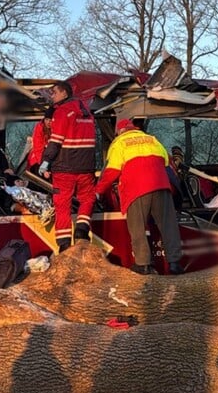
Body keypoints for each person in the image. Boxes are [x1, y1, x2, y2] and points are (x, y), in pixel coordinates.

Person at [95, 119, 184, 275]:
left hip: (137, 188)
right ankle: (175, 263)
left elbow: (112, 171)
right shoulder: (152, 139)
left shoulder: (119, 143)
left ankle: (143, 264)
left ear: (120, 131)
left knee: (137, 227)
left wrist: (98, 191)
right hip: (161, 185)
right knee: (168, 225)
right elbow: (166, 162)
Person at [38, 81, 96, 252]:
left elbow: (56, 141)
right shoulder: (88, 114)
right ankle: (82, 229)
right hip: (86, 168)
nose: (52, 96)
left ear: (64, 93)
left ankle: (64, 246)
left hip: (64, 168)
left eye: (54, 92)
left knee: (62, 205)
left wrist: (46, 161)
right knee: (88, 198)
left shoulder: (62, 112)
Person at [27, 107, 54, 172]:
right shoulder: (40, 127)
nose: (48, 122)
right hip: (37, 161)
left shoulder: (57, 129)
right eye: (46, 119)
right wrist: (43, 164)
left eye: (50, 120)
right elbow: (38, 148)